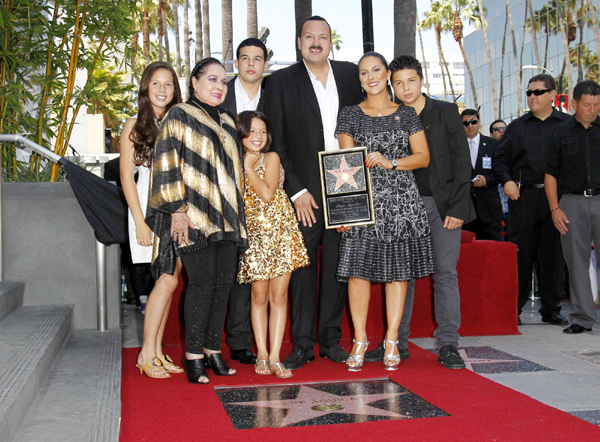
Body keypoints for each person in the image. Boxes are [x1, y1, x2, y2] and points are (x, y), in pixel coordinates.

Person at [264, 16, 362, 369]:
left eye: (323, 37)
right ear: (299, 41)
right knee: (303, 269)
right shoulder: (279, 82)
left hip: (345, 183)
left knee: (339, 265)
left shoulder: (352, 75)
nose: (316, 42)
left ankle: (331, 340)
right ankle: (303, 343)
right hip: (303, 189)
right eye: (310, 37)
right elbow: (276, 141)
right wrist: (296, 189)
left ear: (331, 42)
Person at [366, 55, 473, 369]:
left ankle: (449, 344)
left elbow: (462, 163)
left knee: (445, 274)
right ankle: (396, 343)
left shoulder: (445, 112)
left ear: (422, 80)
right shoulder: (390, 116)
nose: (405, 88)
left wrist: (458, 207)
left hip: (442, 206)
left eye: (410, 80)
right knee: (402, 275)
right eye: (398, 83)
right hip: (401, 205)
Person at [147, 58, 247, 384]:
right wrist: (176, 210)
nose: (219, 86)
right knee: (202, 285)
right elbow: (166, 162)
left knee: (222, 287)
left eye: (224, 82)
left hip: (228, 218)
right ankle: (193, 356)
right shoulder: (180, 115)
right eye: (212, 79)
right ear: (194, 81)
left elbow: (236, 173)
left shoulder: (230, 122)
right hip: (191, 217)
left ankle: (212, 351)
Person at [335, 52, 435, 372]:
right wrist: (345, 212)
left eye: (376, 70)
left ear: (387, 73)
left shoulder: (406, 114)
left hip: (401, 201)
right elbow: (343, 164)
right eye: (364, 73)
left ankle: (391, 339)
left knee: (398, 273)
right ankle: (360, 340)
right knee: (357, 273)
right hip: (363, 203)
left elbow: (422, 157)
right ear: (360, 80)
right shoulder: (349, 114)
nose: (371, 77)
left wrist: (391, 161)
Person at [119, 61, 183, 378]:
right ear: (146, 87)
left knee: (167, 280)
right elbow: (127, 179)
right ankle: (146, 353)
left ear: (175, 89)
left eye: (168, 84)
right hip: (147, 207)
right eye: (156, 83)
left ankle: (156, 351)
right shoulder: (134, 124)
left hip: (177, 209)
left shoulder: (178, 123)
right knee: (166, 277)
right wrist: (140, 221)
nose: (161, 89)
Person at [493, 74, 571, 326]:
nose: (532, 97)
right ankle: (513, 309)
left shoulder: (568, 125)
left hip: (557, 201)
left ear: (552, 95)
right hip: (523, 198)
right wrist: (506, 180)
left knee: (553, 254)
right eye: (529, 93)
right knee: (521, 255)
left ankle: (551, 309)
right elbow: (500, 159)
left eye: (538, 92)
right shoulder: (517, 127)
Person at [236, 110, 309, 378]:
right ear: (241, 134)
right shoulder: (234, 159)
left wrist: (247, 168)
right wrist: (242, 165)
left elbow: (267, 194)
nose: (257, 137)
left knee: (279, 296)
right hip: (254, 235)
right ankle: (262, 356)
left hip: (280, 231)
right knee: (258, 296)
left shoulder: (272, 157)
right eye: (251, 131)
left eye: (262, 131)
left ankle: (276, 357)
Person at [222, 38, 270, 365]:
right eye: (245, 58)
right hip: (226, 192)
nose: (251, 64)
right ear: (236, 63)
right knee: (235, 269)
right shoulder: (219, 94)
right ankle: (235, 340)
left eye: (258, 59)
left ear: (265, 64)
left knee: (261, 270)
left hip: (266, 192)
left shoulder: (278, 94)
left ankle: (257, 341)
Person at [544, 79, 600, 334]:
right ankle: (582, 318)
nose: (592, 109)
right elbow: (550, 174)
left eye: (597, 105)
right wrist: (555, 209)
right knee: (576, 261)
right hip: (572, 203)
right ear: (575, 103)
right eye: (587, 105)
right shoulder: (560, 133)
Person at [461, 109, 503, 241]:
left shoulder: (493, 144)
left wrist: (488, 180)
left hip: (489, 208)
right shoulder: (455, 146)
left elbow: (501, 170)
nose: (470, 126)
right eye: (465, 123)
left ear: (479, 122)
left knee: (492, 249)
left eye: (473, 122)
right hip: (465, 210)